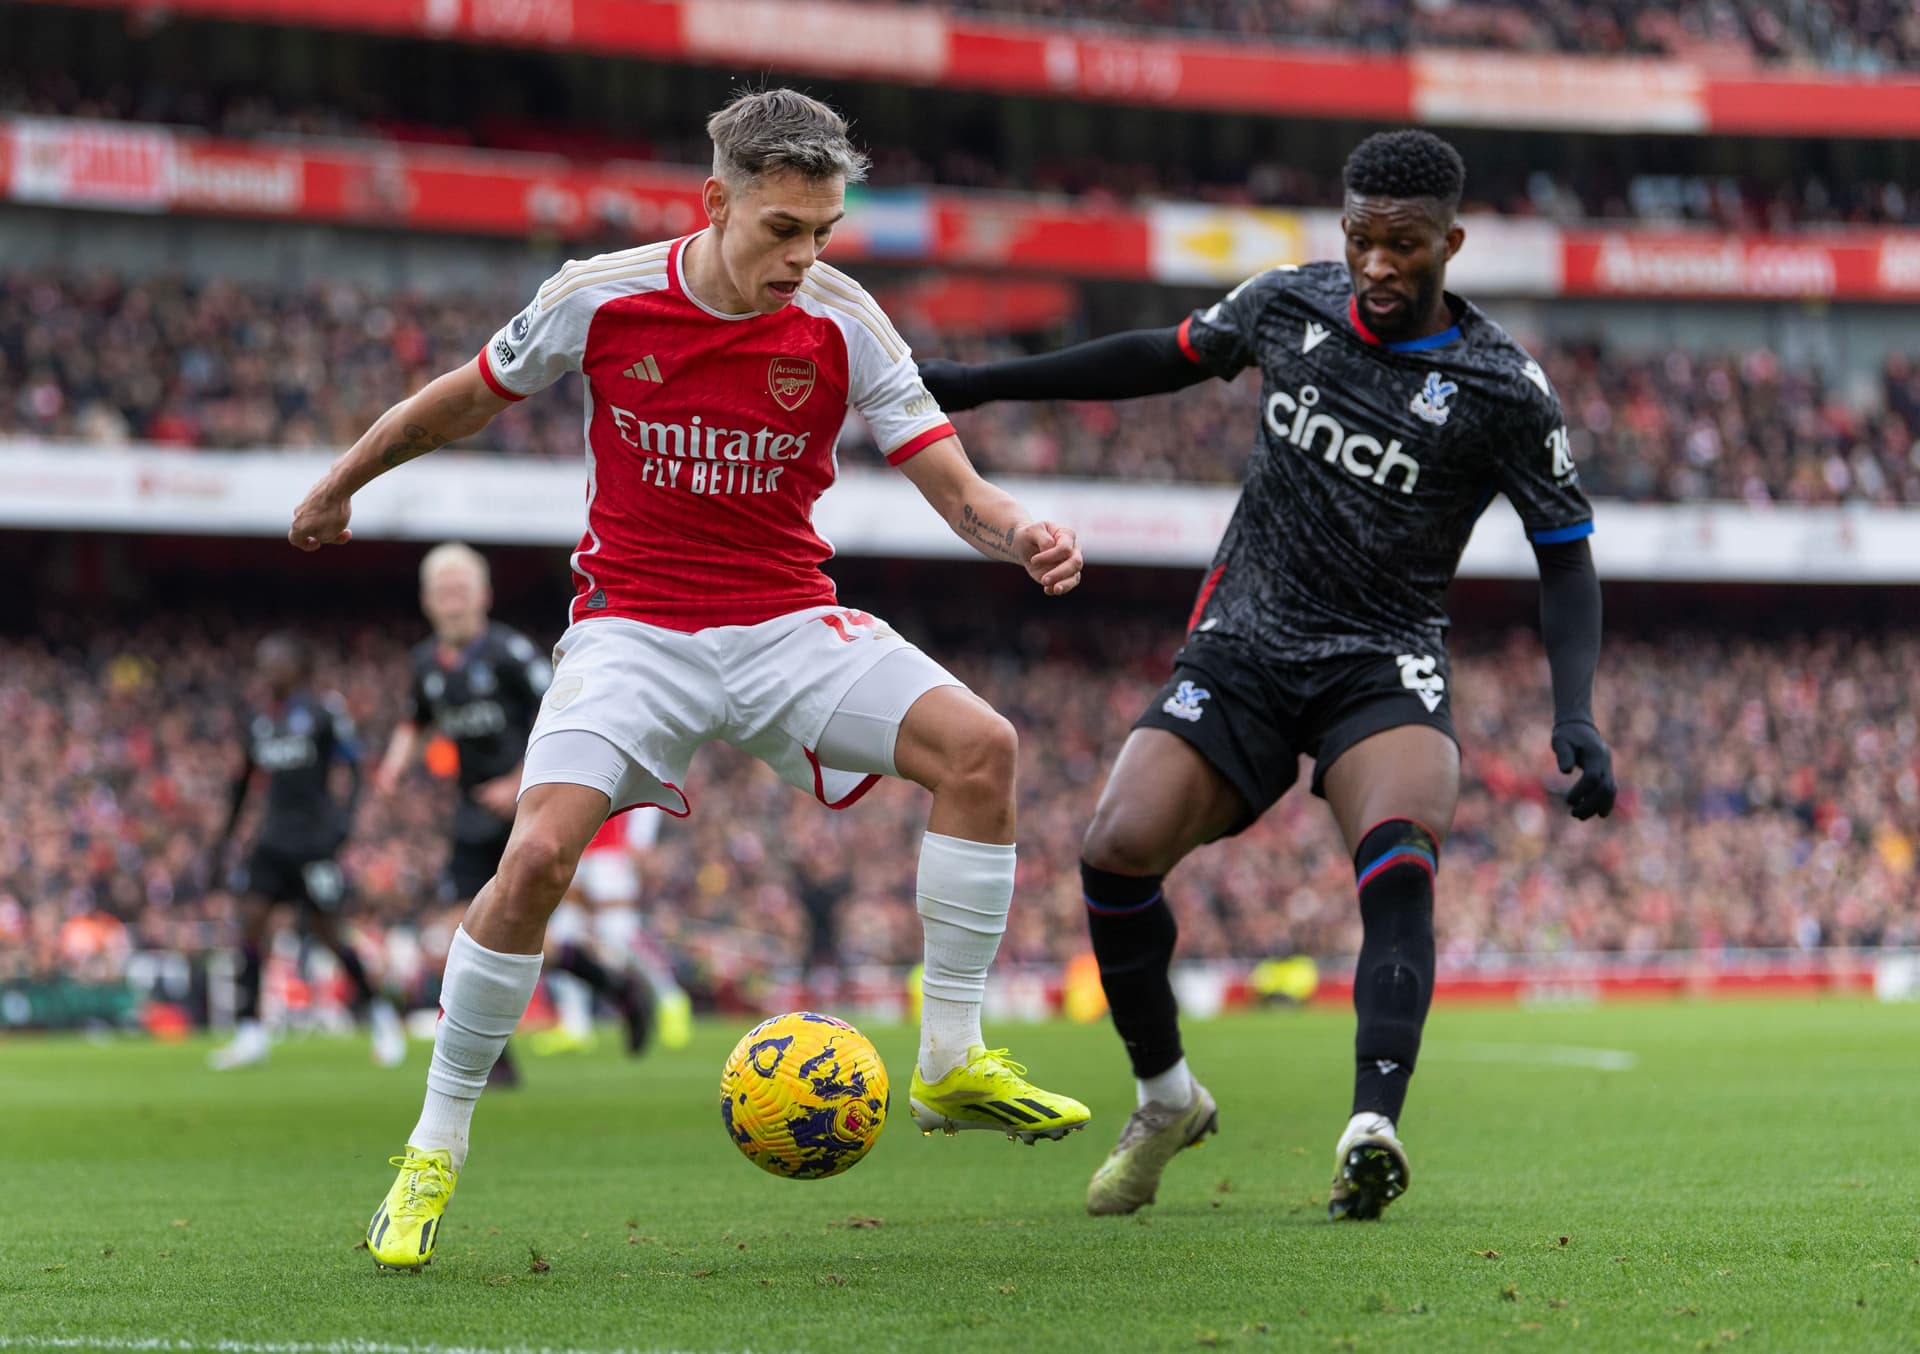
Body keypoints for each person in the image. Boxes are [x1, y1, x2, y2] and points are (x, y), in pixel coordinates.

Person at [288, 88, 1090, 1272]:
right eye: (782, 228)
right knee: (535, 857)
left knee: (984, 748)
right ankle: (432, 1149)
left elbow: (956, 485)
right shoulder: (601, 296)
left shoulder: (845, 320)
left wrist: (1019, 532)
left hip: (785, 621)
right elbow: (461, 395)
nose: (804, 256)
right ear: (716, 202)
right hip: (634, 632)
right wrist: (341, 481)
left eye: (823, 231)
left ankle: (949, 1059)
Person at [918, 129, 1618, 1221]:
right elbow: (1160, 356)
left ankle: (1371, 1127)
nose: (1377, 263)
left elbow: (1565, 555)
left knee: (1400, 858)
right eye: (1361, 238)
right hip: (1244, 642)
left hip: (1382, 658)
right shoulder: (1289, 304)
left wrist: (1576, 712)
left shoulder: (1503, 388)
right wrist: (977, 384)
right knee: (1114, 849)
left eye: (1404, 244)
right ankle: (1166, 1097)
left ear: (1450, 244)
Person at [376, 543, 653, 1087]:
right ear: (427, 601)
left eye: (460, 590)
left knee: (510, 930)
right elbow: (416, 720)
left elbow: (561, 712)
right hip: (470, 813)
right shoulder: (426, 664)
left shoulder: (508, 653)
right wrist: (392, 767)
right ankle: (600, 991)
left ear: (484, 595)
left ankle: (601, 993)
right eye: (442, 592)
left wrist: (518, 778)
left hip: (528, 808)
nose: (452, 601)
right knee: (468, 933)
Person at [208, 633, 404, 1070]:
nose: (266, 671)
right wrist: (223, 842)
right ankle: (250, 1031)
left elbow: (354, 769)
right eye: (262, 663)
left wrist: (344, 824)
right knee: (250, 925)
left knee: (330, 935)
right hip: (271, 842)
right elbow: (241, 786)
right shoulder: (259, 720)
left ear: (298, 667)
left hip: (313, 843)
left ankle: (380, 1013)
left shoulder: (323, 712)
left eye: (274, 662)